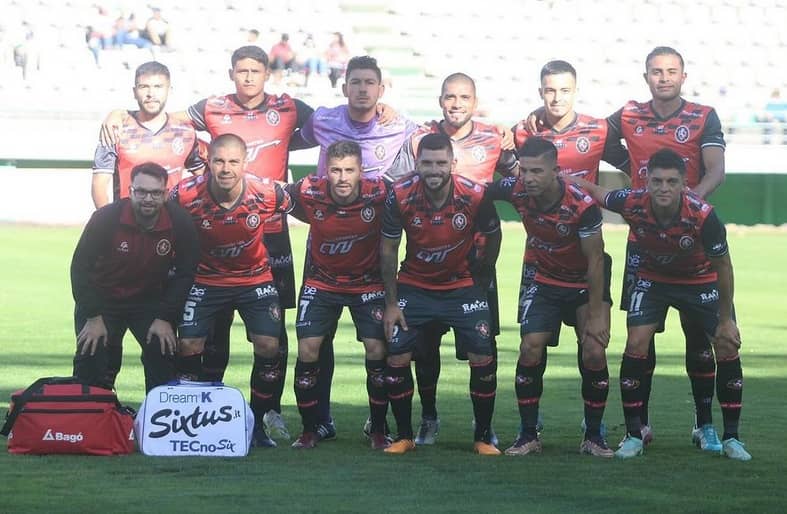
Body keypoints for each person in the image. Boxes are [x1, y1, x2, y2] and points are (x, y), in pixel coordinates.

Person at [101, 45, 316, 442]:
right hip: (210, 267)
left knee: (272, 335)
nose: (248, 77)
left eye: (255, 70)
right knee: (204, 336)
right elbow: (164, 115)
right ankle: (203, 409)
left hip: (269, 239)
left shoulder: (289, 111)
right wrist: (120, 114)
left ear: (267, 73)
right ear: (231, 73)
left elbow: (328, 136)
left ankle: (267, 414)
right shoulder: (210, 115)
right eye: (241, 71)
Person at [524, 47, 727, 448]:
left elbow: (716, 169)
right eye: (656, 71)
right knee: (640, 336)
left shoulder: (703, 115)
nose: (664, 78)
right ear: (646, 75)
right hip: (642, 240)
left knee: (698, 336)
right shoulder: (628, 115)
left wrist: (693, 204)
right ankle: (640, 424)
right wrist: (538, 116)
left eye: (671, 71)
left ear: (684, 76)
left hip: (691, 239)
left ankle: (704, 425)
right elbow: (592, 135)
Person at [572, 148, 750, 461]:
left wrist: (725, 319)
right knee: (636, 342)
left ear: (683, 183)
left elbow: (724, 267)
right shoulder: (633, 202)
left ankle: (732, 438)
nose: (663, 188)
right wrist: (568, 180)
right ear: (647, 181)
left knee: (725, 345)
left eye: (671, 181)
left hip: (700, 280)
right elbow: (600, 194)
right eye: (657, 181)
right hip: (653, 279)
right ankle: (634, 435)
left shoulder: (703, 214)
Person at [289, 54, 418, 441]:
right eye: (355, 83)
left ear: (381, 89)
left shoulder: (400, 126)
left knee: (377, 348)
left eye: (369, 83)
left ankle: (378, 428)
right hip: (323, 255)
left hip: (369, 256)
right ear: (344, 87)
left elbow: (438, 141)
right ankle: (315, 425)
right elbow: (283, 136)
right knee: (313, 344)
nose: (362, 90)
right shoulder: (323, 120)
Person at [386, 72, 517, 445]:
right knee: (423, 348)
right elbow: (394, 182)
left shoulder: (495, 136)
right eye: (449, 97)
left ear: (475, 102)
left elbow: (517, 176)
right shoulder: (420, 137)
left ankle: (484, 428)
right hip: (424, 259)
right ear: (440, 100)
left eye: (464, 97)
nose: (456, 103)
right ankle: (427, 419)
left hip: (472, 267)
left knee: (481, 347)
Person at [514, 59, 629, 436]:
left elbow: (636, 162)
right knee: (533, 344)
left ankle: (593, 428)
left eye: (564, 90)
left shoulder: (598, 129)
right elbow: (502, 174)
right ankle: (531, 425)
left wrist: (636, 204)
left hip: (586, 256)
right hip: (541, 258)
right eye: (549, 90)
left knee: (592, 345)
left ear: (576, 91)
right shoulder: (521, 133)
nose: (556, 97)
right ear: (540, 91)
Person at [486, 138, 612, 457]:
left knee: (594, 352)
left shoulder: (581, 205)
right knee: (529, 347)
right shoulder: (516, 190)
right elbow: (477, 194)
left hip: (585, 282)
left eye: (537, 171)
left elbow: (596, 259)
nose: (528, 178)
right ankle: (529, 434)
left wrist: (597, 312)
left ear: (555, 171)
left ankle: (594, 436)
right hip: (544, 278)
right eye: (524, 170)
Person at [380, 133, 501, 456]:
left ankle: (483, 436)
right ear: (417, 163)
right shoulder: (400, 194)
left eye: (440, 163)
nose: (434, 169)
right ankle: (404, 435)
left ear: (453, 164)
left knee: (481, 354)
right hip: (415, 285)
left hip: (461, 286)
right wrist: (391, 303)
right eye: (427, 163)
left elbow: (494, 233)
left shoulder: (475, 195)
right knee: (397, 355)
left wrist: (483, 275)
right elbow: (389, 249)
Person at [171, 134, 293, 448]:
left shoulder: (266, 192)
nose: (226, 169)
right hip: (206, 280)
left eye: (233, 162)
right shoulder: (184, 195)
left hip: (254, 280)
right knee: (188, 344)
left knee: (269, 345)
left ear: (245, 162)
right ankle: (194, 418)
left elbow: (305, 206)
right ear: (208, 162)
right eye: (219, 161)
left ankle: (256, 424)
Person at [285, 141, 390, 450]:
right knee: (308, 349)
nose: (343, 178)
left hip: (367, 285)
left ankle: (379, 428)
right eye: (335, 170)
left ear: (361, 171)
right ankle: (310, 429)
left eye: (349, 170)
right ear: (325, 171)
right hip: (322, 283)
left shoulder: (381, 192)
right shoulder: (307, 190)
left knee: (376, 349)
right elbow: (273, 195)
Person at [71, 162, 199, 393]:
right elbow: (80, 268)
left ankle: (158, 422)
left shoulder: (179, 221)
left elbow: (185, 272)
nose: (147, 199)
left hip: (149, 302)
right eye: (141, 192)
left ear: (165, 194)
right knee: (92, 356)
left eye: (155, 193)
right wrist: (92, 316)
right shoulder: (106, 218)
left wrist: (165, 317)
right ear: (130, 191)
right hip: (102, 301)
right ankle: (96, 421)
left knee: (163, 351)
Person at [92, 61, 203, 209]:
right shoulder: (115, 129)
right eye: (144, 87)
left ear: (169, 90)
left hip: (170, 223)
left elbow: (202, 178)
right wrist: (108, 223)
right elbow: (99, 185)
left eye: (158, 87)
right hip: (128, 223)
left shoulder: (185, 132)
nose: (151, 94)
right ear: (134, 91)